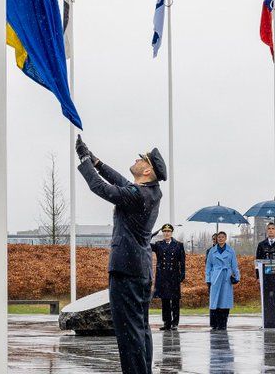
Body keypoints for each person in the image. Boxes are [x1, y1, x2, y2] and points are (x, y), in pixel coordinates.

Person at [75, 134, 165, 374]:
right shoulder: (151, 192)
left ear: (147, 171)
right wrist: (96, 162)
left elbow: (100, 188)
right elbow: (121, 181)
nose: (137, 159)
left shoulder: (138, 195)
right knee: (140, 329)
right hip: (140, 269)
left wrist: (84, 161)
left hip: (126, 270)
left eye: (142, 159)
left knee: (128, 333)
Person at [151, 223, 186, 331]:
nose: (166, 233)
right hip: (163, 276)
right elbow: (145, 243)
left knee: (175, 300)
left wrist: (182, 274)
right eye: (164, 231)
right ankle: (167, 323)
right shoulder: (158, 244)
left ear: (171, 233)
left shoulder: (178, 245)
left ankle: (175, 323)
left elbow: (182, 261)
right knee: (165, 301)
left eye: (168, 231)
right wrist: (151, 235)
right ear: (162, 233)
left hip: (174, 275)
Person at [205, 231, 240, 331]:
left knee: (225, 301)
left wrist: (236, 277)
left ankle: (223, 324)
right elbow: (208, 266)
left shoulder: (231, 251)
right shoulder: (212, 251)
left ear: (225, 238)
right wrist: (208, 279)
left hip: (226, 278)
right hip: (215, 277)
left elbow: (234, 265)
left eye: (222, 237)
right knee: (215, 301)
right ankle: (215, 324)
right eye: (219, 237)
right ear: (216, 239)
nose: (220, 239)